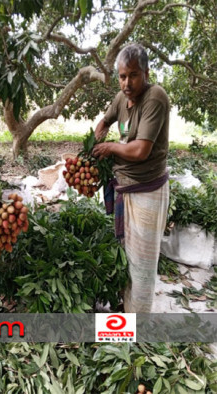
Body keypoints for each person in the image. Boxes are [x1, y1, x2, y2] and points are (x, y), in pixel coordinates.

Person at [92, 43, 170, 313]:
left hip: (147, 190)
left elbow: (140, 150)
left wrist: (110, 147)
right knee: (125, 256)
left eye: (133, 75)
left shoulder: (155, 98)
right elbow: (104, 122)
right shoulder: (120, 98)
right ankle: (126, 309)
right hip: (123, 185)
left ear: (146, 73)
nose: (127, 82)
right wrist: (95, 141)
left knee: (143, 263)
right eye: (122, 76)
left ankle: (139, 321)